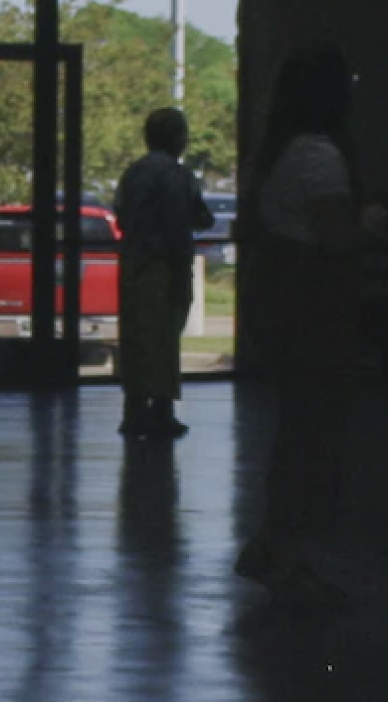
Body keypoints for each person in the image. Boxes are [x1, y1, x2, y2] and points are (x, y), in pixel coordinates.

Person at [237, 46, 367, 604]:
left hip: (284, 310)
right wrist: (371, 226)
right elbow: (337, 237)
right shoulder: (319, 157)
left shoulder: (277, 153)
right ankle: (286, 552)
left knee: (296, 434)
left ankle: (276, 545)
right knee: (313, 438)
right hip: (314, 313)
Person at [113, 107, 216, 441]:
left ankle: (134, 410)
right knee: (164, 340)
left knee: (136, 338)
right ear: (177, 138)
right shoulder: (177, 175)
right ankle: (161, 410)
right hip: (165, 266)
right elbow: (189, 219)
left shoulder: (134, 173)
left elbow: (122, 215)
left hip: (134, 264)